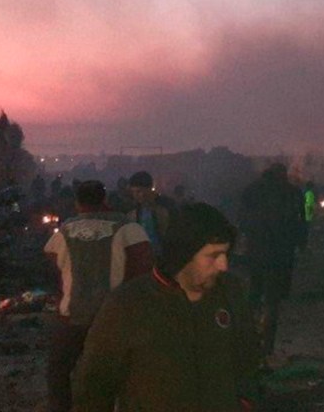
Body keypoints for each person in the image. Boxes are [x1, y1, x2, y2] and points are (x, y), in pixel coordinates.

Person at [71, 203, 259, 412]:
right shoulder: (129, 304)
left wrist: (245, 402)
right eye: (213, 256)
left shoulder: (229, 291)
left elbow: (248, 358)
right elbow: (94, 384)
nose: (223, 265)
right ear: (184, 254)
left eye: (225, 254)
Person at [44, 180, 151, 412]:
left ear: (77, 203)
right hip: (114, 319)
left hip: (72, 317)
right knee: (116, 375)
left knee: (59, 372)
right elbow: (143, 268)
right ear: (104, 200)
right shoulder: (127, 227)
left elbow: (52, 265)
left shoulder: (65, 230)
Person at [238, 163, 307, 356]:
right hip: (280, 255)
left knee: (254, 293)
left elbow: (242, 220)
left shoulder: (252, 190)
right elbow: (301, 222)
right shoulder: (292, 193)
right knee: (273, 300)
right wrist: (301, 243)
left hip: (256, 253)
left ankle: (249, 340)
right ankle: (267, 345)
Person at [126, 171, 173, 257]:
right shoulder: (132, 212)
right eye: (134, 192)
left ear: (149, 189)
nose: (136, 195)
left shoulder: (165, 208)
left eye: (139, 191)